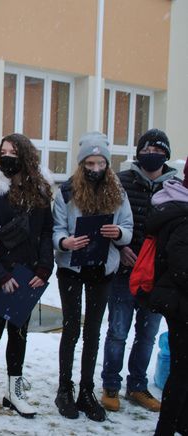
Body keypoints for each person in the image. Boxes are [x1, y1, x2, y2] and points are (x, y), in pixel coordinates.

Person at [0, 133, 54, 421]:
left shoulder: (40, 193)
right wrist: (1, 274)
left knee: (18, 334)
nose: (6, 157)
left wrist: (44, 269)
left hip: (27, 275)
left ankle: (14, 391)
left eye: (13, 152)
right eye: (3, 151)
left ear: (26, 157)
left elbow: (45, 234)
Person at [52, 131, 133, 422]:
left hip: (103, 267)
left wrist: (120, 234)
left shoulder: (118, 192)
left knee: (93, 332)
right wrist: (65, 242)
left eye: (101, 163)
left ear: (107, 164)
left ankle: (87, 390)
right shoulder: (66, 191)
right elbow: (57, 229)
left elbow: (128, 226)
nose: (96, 169)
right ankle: (65, 389)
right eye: (90, 163)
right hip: (72, 268)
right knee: (71, 328)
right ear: (82, 163)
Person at [101, 129, 178, 413]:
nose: (152, 155)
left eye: (158, 150)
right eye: (147, 149)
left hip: (158, 276)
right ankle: (110, 385)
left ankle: (137, 386)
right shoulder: (121, 183)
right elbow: (107, 221)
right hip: (124, 272)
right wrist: (121, 248)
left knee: (147, 335)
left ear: (166, 155)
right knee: (118, 332)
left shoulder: (176, 188)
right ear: (139, 153)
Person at [142, 161, 188, 436]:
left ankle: (179, 422)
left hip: (178, 300)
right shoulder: (182, 213)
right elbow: (181, 265)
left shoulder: (176, 205)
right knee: (182, 372)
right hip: (180, 303)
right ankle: (168, 427)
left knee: (183, 370)